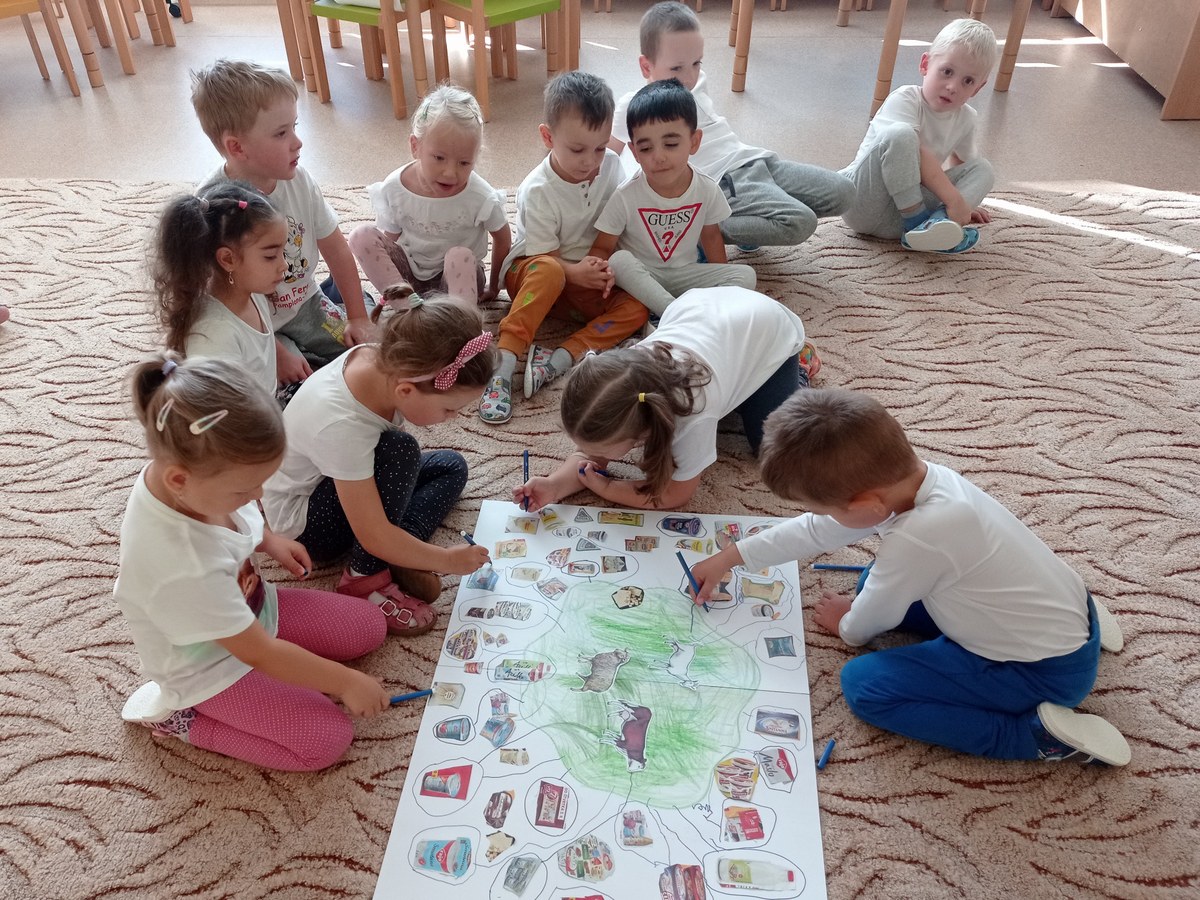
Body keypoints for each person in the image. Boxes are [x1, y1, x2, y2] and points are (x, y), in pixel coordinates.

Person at [689, 388, 1131, 766]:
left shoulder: (919, 538)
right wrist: (733, 556)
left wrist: (847, 626)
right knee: (875, 580)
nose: (821, 517)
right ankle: (1087, 633)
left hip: (1037, 673)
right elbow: (817, 531)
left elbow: (869, 621)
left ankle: (1035, 738)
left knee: (864, 685)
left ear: (866, 505)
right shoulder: (920, 480)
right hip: (1063, 614)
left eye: (824, 508)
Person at [113, 354, 393, 771]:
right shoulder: (182, 563)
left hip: (253, 610)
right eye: (245, 489)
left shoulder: (195, 477)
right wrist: (345, 681)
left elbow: (235, 520)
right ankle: (184, 721)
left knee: (368, 626)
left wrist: (268, 541)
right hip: (210, 670)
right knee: (324, 740)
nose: (258, 496)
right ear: (179, 480)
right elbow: (259, 653)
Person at [262, 291, 494, 633]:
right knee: (400, 451)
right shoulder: (342, 426)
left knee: (450, 465)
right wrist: (446, 560)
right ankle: (363, 576)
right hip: (306, 526)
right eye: (449, 409)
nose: (453, 418)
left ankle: (401, 549)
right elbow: (371, 534)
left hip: (342, 476)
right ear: (406, 391)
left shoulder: (383, 362)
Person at [513, 286, 819, 511]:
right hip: (708, 311)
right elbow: (589, 456)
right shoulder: (623, 379)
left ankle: (800, 369)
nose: (589, 455)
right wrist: (554, 485)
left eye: (598, 450)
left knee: (773, 446)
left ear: (642, 430)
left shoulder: (693, 413)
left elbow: (675, 494)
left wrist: (607, 487)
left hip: (769, 332)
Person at [610, 2, 854, 252]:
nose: (689, 77)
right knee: (800, 222)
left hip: (754, 161)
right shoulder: (632, 105)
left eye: (696, 63)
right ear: (646, 66)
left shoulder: (696, 82)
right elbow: (609, 154)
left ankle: (750, 222)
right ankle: (693, 232)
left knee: (844, 192)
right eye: (676, 68)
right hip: (722, 181)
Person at [480, 71, 650, 425]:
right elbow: (545, 257)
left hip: (578, 284)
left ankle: (559, 358)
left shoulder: (612, 167)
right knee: (551, 271)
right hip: (534, 273)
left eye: (600, 147)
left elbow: (617, 225)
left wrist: (602, 270)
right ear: (548, 137)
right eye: (577, 149)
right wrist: (575, 272)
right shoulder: (537, 189)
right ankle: (504, 363)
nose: (591, 161)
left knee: (636, 309)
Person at [191, 59, 372, 391]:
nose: (297, 142)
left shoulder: (299, 180)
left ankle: (342, 306)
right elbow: (216, 298)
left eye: (294, 127)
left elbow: (336, 248)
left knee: (369, 353)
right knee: (294, 389)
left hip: (305, 305)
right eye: (281, 133)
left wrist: (358, 317)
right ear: (236, 147)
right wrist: (277, 354)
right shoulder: (213, 207)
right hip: (254, 327)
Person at [591, 79, 756, 317]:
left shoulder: (706, 188)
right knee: (619, 260)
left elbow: (711, 237)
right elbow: (602, 247)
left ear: (694, 142)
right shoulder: (626, 195)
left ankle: (668, 313)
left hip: (685, 274)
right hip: (642, 277)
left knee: (746, 276)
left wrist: (721, 287)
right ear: (634, 152)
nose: (659, 157)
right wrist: (596, 272)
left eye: (670, 144)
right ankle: (679, 314)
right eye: (646, 149)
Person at [838, 18, 998, 254]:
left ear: (978, 88)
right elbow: (918, 155)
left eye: (968, 81)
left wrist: (964, 202)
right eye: (947, 72)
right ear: (925, 64)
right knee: (902, 134)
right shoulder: (905, 99)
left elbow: (961, 164)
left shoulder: (967, 117)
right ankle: (919, 221)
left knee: (984, 169)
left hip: (898, 219)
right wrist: (954, 199)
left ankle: (938, 224)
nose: (953, 87)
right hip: (863, 204)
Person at [349, 84, 511, 308]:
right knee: (360, 236)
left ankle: (459, 321)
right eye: (439, 158)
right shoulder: (394, 187)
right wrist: (388, 272)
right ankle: (409, 311)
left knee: (459, 256)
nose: (450, 173)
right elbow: (391, 235)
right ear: (415, 146)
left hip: (458, 281)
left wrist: (494, 285)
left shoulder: (480, 195)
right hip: (411, 279)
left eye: (464, 163)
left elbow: (502, 237)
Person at [151, 181, 286, 398]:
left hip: (266, 403)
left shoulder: (253, 291)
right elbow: (222, 413)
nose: (284, 265)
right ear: (227, 259)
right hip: (246, 418)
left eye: (283, 253)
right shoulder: (215, 335)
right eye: (271, 256)